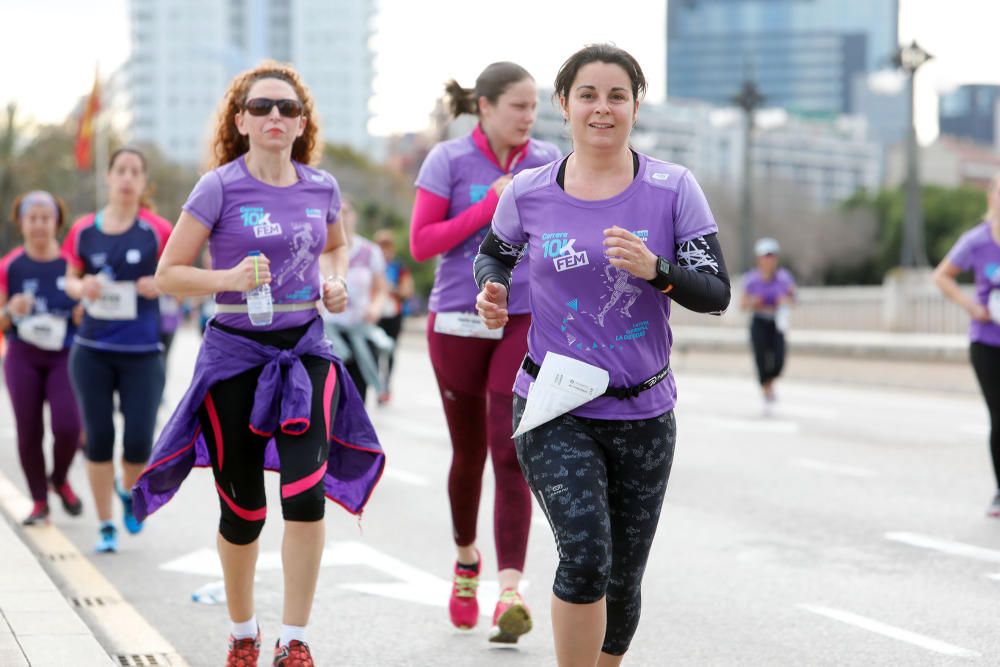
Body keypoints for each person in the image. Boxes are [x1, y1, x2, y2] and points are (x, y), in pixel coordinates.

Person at [474, 44, 730, 665]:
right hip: (553, 402)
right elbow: (495, 253)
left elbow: (716, 293)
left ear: (636, 107)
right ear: (564, 105)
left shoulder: (673, 188)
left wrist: (658, 270)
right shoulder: (530, 191)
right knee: (587, 557)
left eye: (617, 96)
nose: (602, 109)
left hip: (644, 411)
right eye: (588, 95)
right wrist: (494, 287)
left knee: (623, 581)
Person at [131, 61, 384, 667]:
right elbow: (167, 275)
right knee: (243, 511)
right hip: (235, 358)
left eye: (287, 109)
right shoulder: (218, 187)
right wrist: (229, 278)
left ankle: (294, 639)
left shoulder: (321, 186)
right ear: (240, 120)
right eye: (262, 107)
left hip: (306, 353)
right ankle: (243, 630)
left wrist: (336, 280)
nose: (276, 116)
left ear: (302, 124)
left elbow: (336, 245)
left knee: (305, 497)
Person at [410, 60, 560, 643]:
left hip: (524, 315)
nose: (529, 117)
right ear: (486, 107)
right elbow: (424, 242)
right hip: (457, 318)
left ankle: (509, 593)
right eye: (518, 106)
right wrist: (491, 204)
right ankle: (466, 560)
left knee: (510, 447)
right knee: (469, 452)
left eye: (534, 108)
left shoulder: (548, 160)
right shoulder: (448, 160)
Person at [62, 147, 172, 553]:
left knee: (139, 441)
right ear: (109, 177)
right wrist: (82, 286)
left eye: (135, 171)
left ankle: (128, 488)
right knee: (99, 438)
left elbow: (178, 276)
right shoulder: (83, 230)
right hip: (91, 349)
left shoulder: (158, 229)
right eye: (120, 170)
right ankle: (106, 524)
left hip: (143, 351)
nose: (127, 178)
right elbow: (69, 279)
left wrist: (160, 284)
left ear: (143, 182)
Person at [0, 191, 83, 525]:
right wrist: (10, 309)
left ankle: (59, 479)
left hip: (64, 353)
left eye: (45, 218)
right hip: (23, 354)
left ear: (57, 223)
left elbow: (90, 303)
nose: (38, 225)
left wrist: (82, 312)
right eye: (31, 218)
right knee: (28, 430)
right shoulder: (10, 266)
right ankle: (38, 500)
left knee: (68, 426)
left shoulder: (70, 264)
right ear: (20, 223)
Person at [934, 172, 1000, 517]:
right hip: (987, 343)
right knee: (999, 416)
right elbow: (941, 275)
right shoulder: (977, 241)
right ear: (991, 198)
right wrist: (971, 306)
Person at [322, 196, 392, 403]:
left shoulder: (370, 251)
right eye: (336, 213)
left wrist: (375, 308)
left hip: (358, 328)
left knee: (357, 396)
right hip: (329, 333)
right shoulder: (321, 251)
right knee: (330, 398)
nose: (341, 218)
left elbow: (381, 289)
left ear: (354, 216)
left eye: (346, 212)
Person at [740, 237, 796, 413]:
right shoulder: (751, 279)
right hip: (759, 321)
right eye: (766, 256)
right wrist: (754, 302)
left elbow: (792, 299)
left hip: (777, 322)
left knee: (779, 359)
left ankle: (770, 383)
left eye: (772, 256)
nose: (769, 260)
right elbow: (742, 305)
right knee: (761, 358)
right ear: (759, 259)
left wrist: (784, 300)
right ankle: (765, 390)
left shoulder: (784, 278)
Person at [374, 228, 413, 405]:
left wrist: (392, 289)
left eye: (387, 247)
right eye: (381, 247)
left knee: (389, 352)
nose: (384, 251)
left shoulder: (399, 267)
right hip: (375, 314)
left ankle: (386, 386)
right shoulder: (372, 265)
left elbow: (407, 291)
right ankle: (376, 386)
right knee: (373, 351)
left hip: (393, 315)